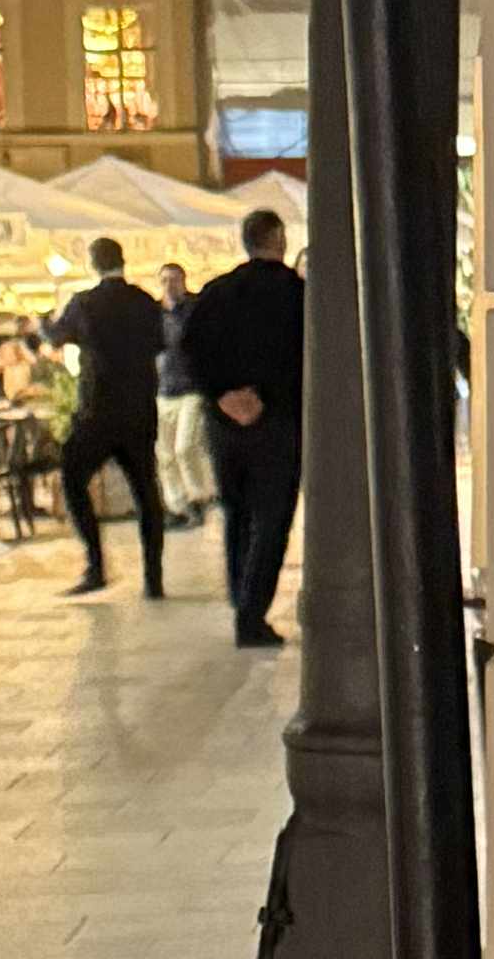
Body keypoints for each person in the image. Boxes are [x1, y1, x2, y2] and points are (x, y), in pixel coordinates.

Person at [180, 206, 306, 647]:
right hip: (279, 421)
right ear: (279, 239)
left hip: (224, 425)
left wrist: (222, 396)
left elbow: (189, 350)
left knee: (236, 514)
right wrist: (264, 400)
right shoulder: (297, 294)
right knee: (272, 519)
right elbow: (304, 357)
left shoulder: (216, 293)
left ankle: (240, 599)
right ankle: (252, 615)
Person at [44, 237, 168, 601]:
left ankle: (96, 566)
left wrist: (42, 324)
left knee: (72, 478)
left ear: (93, 264)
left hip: (97, 410)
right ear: (122, 261)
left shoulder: (85, 303)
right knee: (146, 491)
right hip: (139, 410)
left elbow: (56, 337)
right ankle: (153, 579)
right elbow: (161, 343)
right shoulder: (145, 302)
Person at [154, 262, 213, 528]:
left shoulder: (194, 310)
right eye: (165, 280)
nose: (170, 285)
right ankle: (177, 505)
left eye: (174, 280)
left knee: (185, 447)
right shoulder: (155, 314)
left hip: (191, 388)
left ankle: (198, 497)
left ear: (183, 281)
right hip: (163, 390)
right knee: (165, 454)